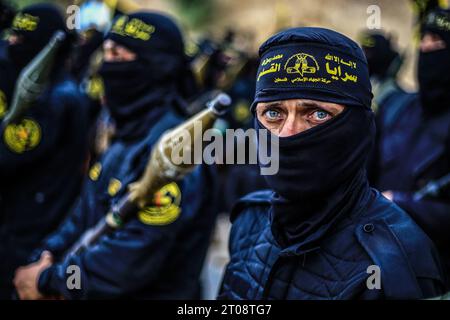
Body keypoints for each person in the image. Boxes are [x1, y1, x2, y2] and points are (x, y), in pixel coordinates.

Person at [218, 27, 446, 300]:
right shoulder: (249, 221)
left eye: (317, 114)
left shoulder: (398, 264)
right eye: (273, 112)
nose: (288, 133)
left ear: (357, 127)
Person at [13, 11, 218, 300]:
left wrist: (50, 282)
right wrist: (46, 254)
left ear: (155, 67)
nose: (107, 67)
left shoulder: (176, 152)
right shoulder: (126, 137)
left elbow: (126, 265)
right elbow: (82, 216)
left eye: (118, 55)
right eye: (106, 53)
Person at [0, 4, 90, 299]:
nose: (12, 44)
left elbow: (9, 155)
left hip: (30, 234)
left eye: (22, 39)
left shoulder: (57, 99)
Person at [370, 8, 450, 289]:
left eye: (439, 43)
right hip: (376, 261)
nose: (428, 48)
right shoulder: (396, 107)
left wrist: (403, 205)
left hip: (435, 275)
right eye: (424, 40)